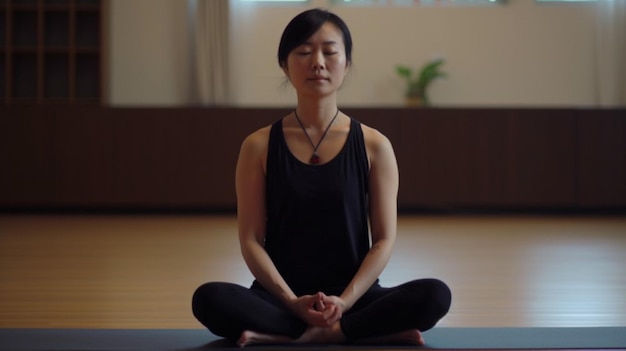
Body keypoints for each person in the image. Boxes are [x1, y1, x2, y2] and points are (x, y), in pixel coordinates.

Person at [192, 8, 451, 347]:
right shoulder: (258, 146)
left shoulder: (375, 145)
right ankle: (351, 331)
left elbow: (383, 240)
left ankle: (308, 332)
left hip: (355, 298)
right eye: (303, 51)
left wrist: (343, 302)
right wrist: (290, 302)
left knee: (435, 295)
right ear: (285, 64)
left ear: (346, 63)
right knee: (209, 299)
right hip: (280, 297)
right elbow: (252, 240)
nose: (317, 62)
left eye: (330, 51)